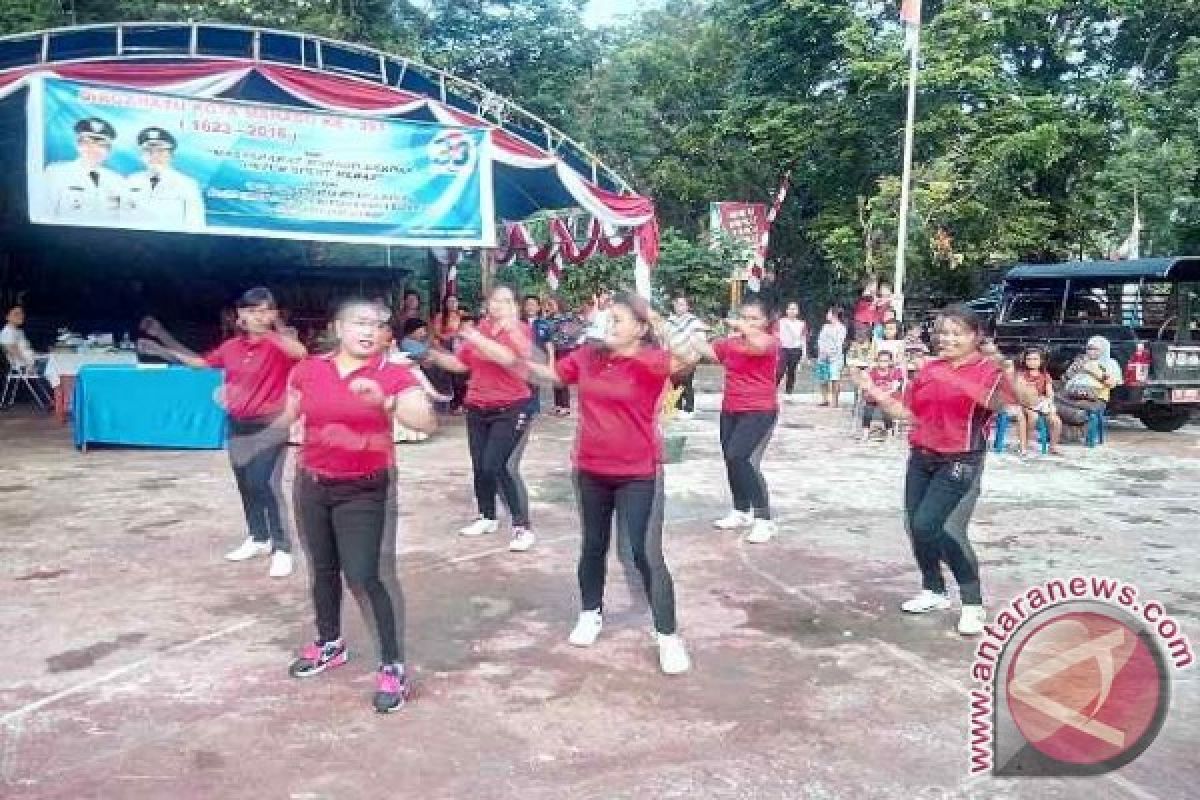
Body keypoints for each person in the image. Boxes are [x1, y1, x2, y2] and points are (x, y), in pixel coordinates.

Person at [523, 291, 692, 675]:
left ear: (640, 328)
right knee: (593, 544)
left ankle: (668, 636)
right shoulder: (588, 355)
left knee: (643, 552)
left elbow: (686, 358)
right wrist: (516, 351)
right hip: (590, 468)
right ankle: (590, 613)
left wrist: (659, 319)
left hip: (637, 471)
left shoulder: (649, 361)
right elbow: (550, 374)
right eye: (607, 317)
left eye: (618, 319)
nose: (608, 324)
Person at [282, 297, 436, 713]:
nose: (369, 331)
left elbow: (425, 421)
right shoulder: (310, 368)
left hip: (365, 488)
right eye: (359, 322)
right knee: (323, 568)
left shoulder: (395, 374)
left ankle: (392, 666)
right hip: (311, 482)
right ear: (338, 326)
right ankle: (330, 642)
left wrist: (384, 404)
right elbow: (287, 414)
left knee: (367, 575)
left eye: (378, 324)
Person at [853, 306, 1039, 636]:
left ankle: (972, 604)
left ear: (975, 336)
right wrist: (873, 388)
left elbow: (1028, 401)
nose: (947, 338)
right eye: (942, 332)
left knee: (943, 528)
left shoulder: (987, 370)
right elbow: (907, 414)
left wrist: (1009, 370)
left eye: (956, 332)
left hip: (961, 460)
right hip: (921, 458)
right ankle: (934, 590)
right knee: (916, 526)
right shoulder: (929, 369)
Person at [139, 288, 306, 577]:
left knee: (264, 483)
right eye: (252, 311)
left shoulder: (280, 343)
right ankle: (258, 538)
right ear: (240, 314)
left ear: (273, 314)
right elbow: (202, 364)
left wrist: (265, 332)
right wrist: (163, 346)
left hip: (271, 424)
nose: (259, 316)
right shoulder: (231, 347)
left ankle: (282, 548)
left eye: (265, 310)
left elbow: (300, 353)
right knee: (245, 483)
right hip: (238, 424)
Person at [425, 286, 536, 552]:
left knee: (499, 466)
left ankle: (522, 527)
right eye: (496, 300)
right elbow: (462, 364)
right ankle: (487, 517)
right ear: (487, 304)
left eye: (507, 301)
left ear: (514, 306)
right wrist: (432, 355)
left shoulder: (519, 330)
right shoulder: (481, 329)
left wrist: (475, 336)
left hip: (511, 407)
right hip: (477, 406)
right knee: (479, 466)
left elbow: (507, 358)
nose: (500, 305)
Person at [688, 300, 781, 543]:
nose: (747, 323)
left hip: (759, 410)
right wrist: (691, 334)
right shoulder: (731, 343)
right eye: (744, 317)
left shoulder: (769, 341)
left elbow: (758, 345)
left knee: (743, 458)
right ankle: (741, 510)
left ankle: (764, 519)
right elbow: (708, 352)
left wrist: (741, 325)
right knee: (730, 458)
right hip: (731, 408)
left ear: (766, 322)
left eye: (754, 319)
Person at [35, 117, 123, 225]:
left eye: (101, 145)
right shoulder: (56, 173)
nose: (93, 149)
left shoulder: (117, 180)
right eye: (87, 143)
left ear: (109, 151)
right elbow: (43, 216)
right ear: (77, 145)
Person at [122, 127, 205, 230]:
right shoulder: (131, 180)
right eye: (148, 151)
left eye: (161, 151)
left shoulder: (187, 184)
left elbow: (196, 224)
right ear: (142, 155)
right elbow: (121, 217)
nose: (154, 156)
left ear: (171, 155)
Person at [1057, 335, 1122, 425]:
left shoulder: (1111, 363)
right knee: (1050, 400)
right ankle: (1076, 415)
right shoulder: (1081, 360)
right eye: (1089, 349)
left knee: (1054, 404)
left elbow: (1112, 384)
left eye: (1096, 349)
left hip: (1095, 399)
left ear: (1104, 350)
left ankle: (1078, 416)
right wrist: (1072, 370)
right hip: (1073, 394)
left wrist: (1094, 371)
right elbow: (1063, 380)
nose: (1091, 352)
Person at [1012, 348, 1063, 455]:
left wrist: (1048, 400)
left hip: (1039, 404)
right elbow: (1018, 392)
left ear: (1041, 361)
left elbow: (1049, 392)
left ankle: (1053, 446)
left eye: (1035, 359)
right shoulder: (1021, 375)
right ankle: (1024, 444)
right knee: (1033, 417)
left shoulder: (1045, 375)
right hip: (1024, 404)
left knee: (1056, 421)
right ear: (1024, 361)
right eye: (1029, 359)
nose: (1032, 362)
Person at [543, 295, 585, 416]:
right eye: (548, 305)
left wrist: (571, 339)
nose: (549, 307)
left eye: (551, 304)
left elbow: (581, 328)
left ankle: (565, 407)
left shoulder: (568, 316)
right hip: (552, 350)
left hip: (565, 350)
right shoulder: (548, 318)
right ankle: (558, 405)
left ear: (559, 304)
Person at [666, 295, 706, 418]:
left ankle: (689, 408)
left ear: (688, 307)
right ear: (674, 305)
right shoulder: (669, 322)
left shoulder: (694, 322)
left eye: (683, 305)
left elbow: (701, 340)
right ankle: (676, 407)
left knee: (687, 383)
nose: (680, 307)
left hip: (689, 358)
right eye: (678, 304)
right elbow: (665, 339)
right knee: (674, 384)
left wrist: (695, 356)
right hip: (673, 358)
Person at [430, 294, 467, 412]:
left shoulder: (461, 316)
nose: (452, 304)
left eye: (454, 301)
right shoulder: (440, 316)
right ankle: (449, 402)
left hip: (460, 346)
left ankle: (460, 402)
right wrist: (449, 337)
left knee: (461, 376)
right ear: (445, 304)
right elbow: (436, 332)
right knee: (447, 375)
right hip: (444, 346)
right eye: (449, 302)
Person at [860, 349, 904, 441]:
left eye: (886, 361)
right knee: (868, 409)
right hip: (874, 397)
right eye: (881, 361)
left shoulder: (895, 372)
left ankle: (889, 431)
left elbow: (895, 387)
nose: (883, 363)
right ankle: (865, 432)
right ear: (877, 361)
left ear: (890, 362)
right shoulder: (873, 372)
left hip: (888, 397)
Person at [523, 295, 552, 416]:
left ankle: (533, 409)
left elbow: (549, 344)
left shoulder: (544, 324)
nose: (530, 307)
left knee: (534, 385)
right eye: (528, 304)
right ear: (524, 307)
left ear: (538, 307)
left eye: (533, 305)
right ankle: (521, 408)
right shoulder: (518, 322)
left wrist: (550, 363)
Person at [816, 306, 848, 407]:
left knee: (835, 378)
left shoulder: (841, 328)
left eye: (829, 313)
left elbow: (839, 343)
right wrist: (822, 351)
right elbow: (820, 339)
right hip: (822, 355)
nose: (827, 315)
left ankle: (835, 401)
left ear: (834, 315)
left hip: (835, 357)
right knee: (823, 378)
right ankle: (825, 399)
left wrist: (830, 353)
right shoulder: (825, 327)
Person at [776, 301, 808, 395]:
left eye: (794, 309)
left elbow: (803, 339)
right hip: (783, 349)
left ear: (797, 311)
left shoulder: (801, 324)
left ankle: (788, 392)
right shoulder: (781, 322)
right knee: (780, 371)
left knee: (791, 371)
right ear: (786, 310)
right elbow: (776, 335)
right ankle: (772, 389)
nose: (792, 311)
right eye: (790, 308)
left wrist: (804, 354)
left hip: (796, 349)